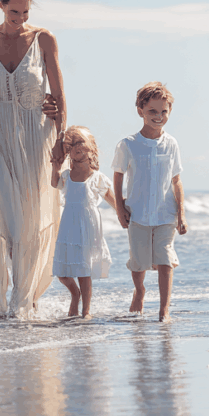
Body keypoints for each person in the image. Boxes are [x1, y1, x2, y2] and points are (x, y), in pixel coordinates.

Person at [0, 0, 66, 318]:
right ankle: (17, 292)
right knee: (6, 218)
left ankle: (25, 296)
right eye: (13, 11)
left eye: (25, 11)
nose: (19, 18)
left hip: (36, 135)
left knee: (31, 217)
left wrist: (60, 139)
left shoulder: (43, 38)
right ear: (1, 5)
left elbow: (59, 95)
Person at [112, 81, 188, 322]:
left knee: (165, 260)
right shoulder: (128, 144)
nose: (158, 116)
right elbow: (118, 176)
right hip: (138, 212)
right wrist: (119, 207)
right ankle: (140, 290)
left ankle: (164, 310)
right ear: (140, 111)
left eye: (163, 111)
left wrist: (181, 214)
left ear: (170, 111)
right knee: (139, 262)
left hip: (165, 213)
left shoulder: (172, 144)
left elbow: (176, 180)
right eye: (152, 111)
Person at [51, 126, 117, 319]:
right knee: (62, 273)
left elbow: (113, 201)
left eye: (80, 142)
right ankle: (75, 294)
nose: (76, 147)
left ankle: (86, 310)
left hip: (87, 228)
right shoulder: (66, 175)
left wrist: (125, 215)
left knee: (83, 271)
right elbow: (55, 183)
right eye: (71, 145)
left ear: (92, 147)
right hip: (68, 226)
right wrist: (55, 166)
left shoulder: (97, 178)